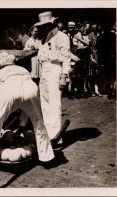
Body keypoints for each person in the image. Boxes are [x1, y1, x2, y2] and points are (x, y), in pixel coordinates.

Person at [0, 65, 55, 172]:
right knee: (38, 123)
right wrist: (22, 125)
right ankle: (46, 158)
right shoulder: (22, 69)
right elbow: (25, 105)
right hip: (30, 88)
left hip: (8, 91)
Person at [34, 11, 71, 144]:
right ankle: (47, 134)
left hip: (55, 70)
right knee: (44, 103)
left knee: (54, 104)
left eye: (44, 25)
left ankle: (55, 136)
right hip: (44, 71)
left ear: (51, 23)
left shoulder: (62, 37)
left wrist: (63, 75)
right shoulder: (43, 39)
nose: (42, 28)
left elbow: (66, 58)